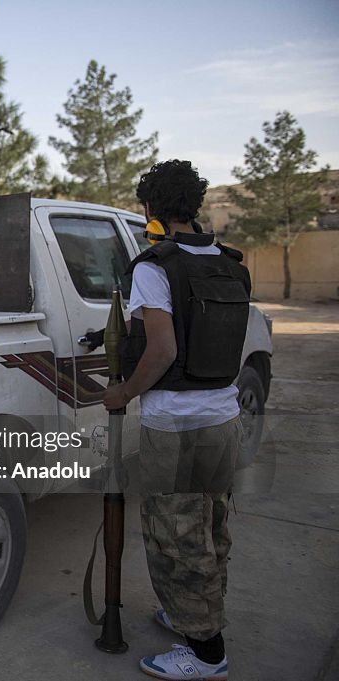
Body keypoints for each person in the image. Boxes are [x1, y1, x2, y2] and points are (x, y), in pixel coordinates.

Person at [103, 160, 250, 680]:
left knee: (176, 539)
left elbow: (161, 349)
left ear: (150, 209)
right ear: (194, 205)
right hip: (222, 417)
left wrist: (124, 389)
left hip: (177, 425)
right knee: (209, 528)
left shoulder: (154, 267)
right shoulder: (229, 261)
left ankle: (207, 653)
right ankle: (190, 616)